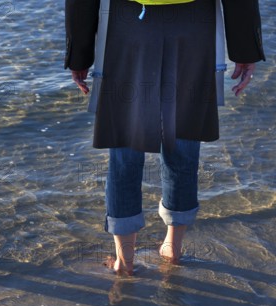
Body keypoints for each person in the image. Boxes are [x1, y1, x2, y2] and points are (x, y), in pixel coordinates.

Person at [65, 0, 264, 275]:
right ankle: (173, 247)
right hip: (195, 21)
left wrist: (79, 53)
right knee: (182, 135)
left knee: (126, 141)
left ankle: (125, 260)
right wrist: (245, 47)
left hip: (130, 21)